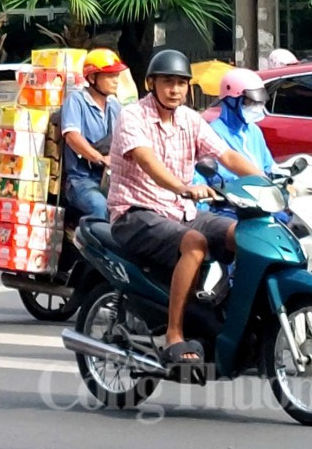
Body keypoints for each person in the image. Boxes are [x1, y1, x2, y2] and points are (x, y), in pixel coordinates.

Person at [106, 49, 263, 365]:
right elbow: (146, 161)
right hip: (135, 212)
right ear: (151, 83)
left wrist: (266, 180)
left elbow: (227, 155)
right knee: (195, 243)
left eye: (181, 83)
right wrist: (182, 187)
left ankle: (233, 317)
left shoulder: (191, 119)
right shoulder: (132, 116)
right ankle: (174, 334)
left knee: (243, 235)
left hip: (181, 212)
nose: (175, 89)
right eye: (167, 82)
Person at [60, 48, 126, 220]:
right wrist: (100, 158)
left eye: (117, 76)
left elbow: (126, 137)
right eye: (110, 76)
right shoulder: (76, 100)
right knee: (100, 206)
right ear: (92, 78)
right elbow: (72, 136)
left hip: (110, 179)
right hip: (81, 180)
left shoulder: (115, 106)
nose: (115, 81)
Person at [206, 68, 276, 185]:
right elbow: (218, 175)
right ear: (231, 101)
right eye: (250, 102)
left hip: (263, 194)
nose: (256, 108)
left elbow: (268, 165)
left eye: (259, 103)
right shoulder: (214, 132)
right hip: (234, 198)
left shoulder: (254, 130)